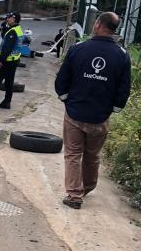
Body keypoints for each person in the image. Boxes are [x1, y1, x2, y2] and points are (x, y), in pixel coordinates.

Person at [54, 11, 131, 209]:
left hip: (75, 114)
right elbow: (123, 89)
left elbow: (62, 80)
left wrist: (66, 100)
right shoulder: (122, 56)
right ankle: (87, 187)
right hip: (100, 117)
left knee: (73, 154)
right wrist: (113, 109)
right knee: (92, 155)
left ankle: (74, 196)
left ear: (98, 24)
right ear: (114, 29)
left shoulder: (78, 49)